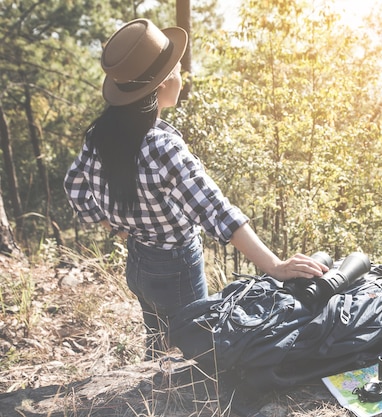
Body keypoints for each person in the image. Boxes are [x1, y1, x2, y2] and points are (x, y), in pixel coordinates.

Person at [64, 18, 328, 360]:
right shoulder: (162, 147)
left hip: (139, 265)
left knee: (158, 340)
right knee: (197, 350)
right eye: (175, 70)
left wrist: (115, 227)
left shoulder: (100, 135)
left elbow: (74, 186)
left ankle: (151, 384)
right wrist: (275, 266)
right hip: (175, 268)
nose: (181, 76)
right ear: (160, 86)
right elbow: (218, 212)